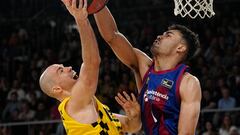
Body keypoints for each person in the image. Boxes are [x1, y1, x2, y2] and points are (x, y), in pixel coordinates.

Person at [94, 7, 202, 135]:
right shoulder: (143, 66)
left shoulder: (188, 82)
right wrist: (97, 5)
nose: (160, 36)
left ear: (180, 48)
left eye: (168, 35)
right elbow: (112, 36)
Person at [39, 0, 141, 134]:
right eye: (61, 70)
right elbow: (92, 63)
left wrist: (134, 116)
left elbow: (131, 127)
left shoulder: (93, 107)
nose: (68, 68)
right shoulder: (72, 105)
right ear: (57, 89)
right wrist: (81, 20)